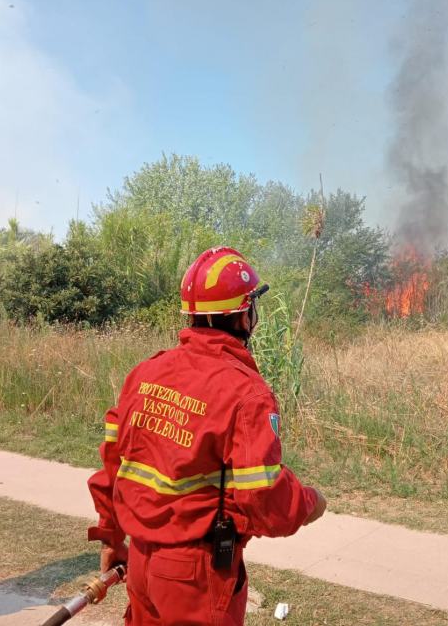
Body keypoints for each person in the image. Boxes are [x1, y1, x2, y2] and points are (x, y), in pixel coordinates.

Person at [87, 246, 326, 626]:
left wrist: (111, 537)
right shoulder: (246, 393)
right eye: (252, 309)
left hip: (141, 564)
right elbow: (263, 499)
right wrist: (310, 502)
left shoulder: (144, 374)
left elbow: (114, 466)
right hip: (194, 577)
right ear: (244, 317)